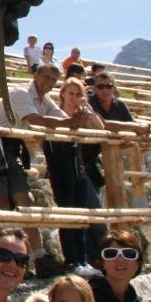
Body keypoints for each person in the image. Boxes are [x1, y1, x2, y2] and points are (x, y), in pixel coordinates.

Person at [0, 64, 92, 277]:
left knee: (24, 201)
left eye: (53, 80)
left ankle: (37, 255)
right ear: (35, 75)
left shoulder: (46, 101)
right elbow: (35, 120)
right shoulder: (20, 92)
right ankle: (2, 256)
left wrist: (77, 119)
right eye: (45, 77)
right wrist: (70, 121)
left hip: (13, 147)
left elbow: (61, 119)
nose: (48, 82)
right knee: (2, 202)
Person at [44, 78, 108, 276]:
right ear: (62, 93)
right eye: (70, 93)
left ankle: (83, 258)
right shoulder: (55, 112)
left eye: (77, 93)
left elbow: (101, 131)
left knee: (83, 212)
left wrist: (87, 110)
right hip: (62, 166)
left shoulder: (84, 112)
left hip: (82, 166)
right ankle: (73, 259)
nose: (74, 97)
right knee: (69, 210)